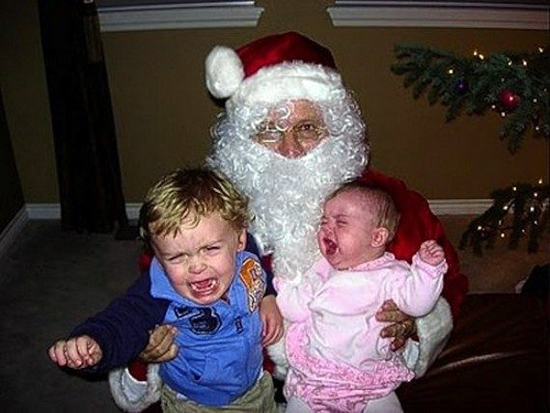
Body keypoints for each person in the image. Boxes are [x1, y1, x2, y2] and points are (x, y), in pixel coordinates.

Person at [108, 32, 468, 410]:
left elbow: (449, 279)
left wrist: (417, 318)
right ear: (242, 140)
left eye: (307, 128)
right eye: (269, 130)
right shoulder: (206, 213)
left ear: (337, 130)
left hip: (363, 379)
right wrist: (147, 345)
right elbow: (156, 285)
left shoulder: (387, 206)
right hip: (241, 387)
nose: (290, 149)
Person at [48, 167, 278, 412]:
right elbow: (123, 320)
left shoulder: (246, 255)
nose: (196, 266)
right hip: (196, 403)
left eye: (210, 249)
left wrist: (267, 295)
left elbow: (256, 261)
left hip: (257, 385)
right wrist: (95, 341)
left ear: (239, 240)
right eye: (177, 257)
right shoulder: (157, 292)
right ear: (157, 256)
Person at [277, 182, 448, 412]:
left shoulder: (392, 274)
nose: (327, 229)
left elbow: (418, 304)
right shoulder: (320, 270)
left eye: (340, 222)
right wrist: (285, 281)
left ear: (377, 237)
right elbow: (295, 309)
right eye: (324, 222)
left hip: (370, 384)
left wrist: (427, 269)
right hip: (316, 379)